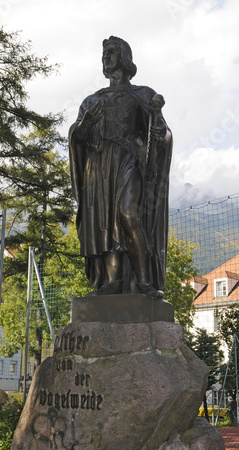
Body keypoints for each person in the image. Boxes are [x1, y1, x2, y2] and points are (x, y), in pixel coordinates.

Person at [69, 36, 172, 297]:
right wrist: (83, 125)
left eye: (111, 52)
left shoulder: (143, 94)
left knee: (127, 215)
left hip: (128, 161)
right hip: (98, 167)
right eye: (104, 53)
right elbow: (77, 138)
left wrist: (160, 133)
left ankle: (145, 283)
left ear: (124, 58)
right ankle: (112, 282)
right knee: (105, 222)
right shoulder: (92, 100)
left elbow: (161, 132)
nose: (106, 57)